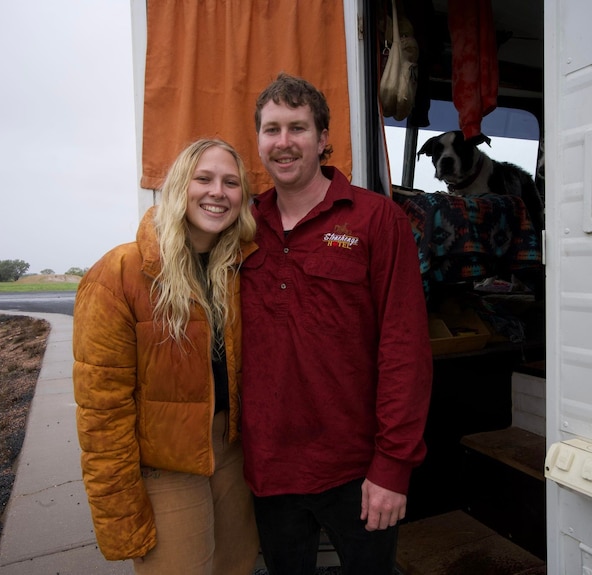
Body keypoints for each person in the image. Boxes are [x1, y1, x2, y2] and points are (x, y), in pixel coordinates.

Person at [240, 73, 433, 575]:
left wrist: (393, 467)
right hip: (268, 468)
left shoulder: (376, 220)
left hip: (358, 469)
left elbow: (405, 349)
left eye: (298, 128)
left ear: (323, 139)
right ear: (258, 140)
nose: (284, 143)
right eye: (271, 129)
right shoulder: (241, 225)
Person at [72, 138, 260, 574]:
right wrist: (120, 509)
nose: (218, 192)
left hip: (231, 453)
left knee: (236, 566)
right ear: (179, 186)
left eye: (231, 182)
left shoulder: (239, 268)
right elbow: (102, 409)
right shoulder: (120, 273)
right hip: (165, 464)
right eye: (204, 178)